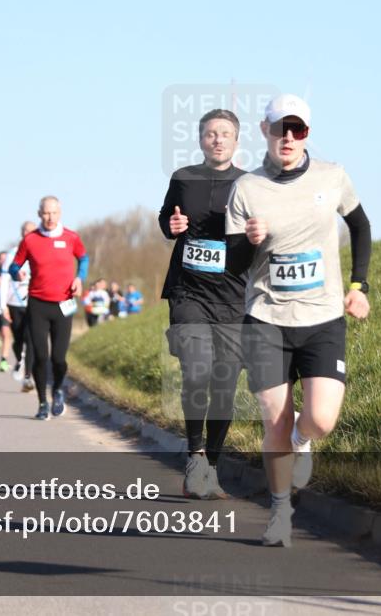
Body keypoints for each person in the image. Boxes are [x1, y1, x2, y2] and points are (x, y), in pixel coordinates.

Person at [225, 95, 371, 547]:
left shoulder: (332, 176)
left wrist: (359, 286)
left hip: (323, 317)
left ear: (307, 133)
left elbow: (361, 226)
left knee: (320, 420)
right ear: (265, 131)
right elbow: (233, 265)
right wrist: (249, 242)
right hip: (266, 319)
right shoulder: (246, 188)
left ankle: (302, 440)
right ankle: (280, 511)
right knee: (275, 420)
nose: (288, 137)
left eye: (298, 129)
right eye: (279, 128)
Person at [159, 108, 247, 499]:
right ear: (200, 139)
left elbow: (265, 234)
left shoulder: (251, 184)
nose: (218, 139)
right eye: (211, 133)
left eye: (225, 133)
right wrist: (171, 226)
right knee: (196, 370)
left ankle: (211, 465)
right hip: (188, 291)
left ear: (236, 141)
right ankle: (195, 456)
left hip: (233, 297)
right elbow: (166, 217)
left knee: (225, 385)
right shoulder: (184, 178)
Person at [8, 196, 88, 419]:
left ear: (59, 213)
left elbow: (83, 258)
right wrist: (17, 273)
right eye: (46, 213)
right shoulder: (30, 240)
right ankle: (43, 402)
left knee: (59, 359)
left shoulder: (71, 237)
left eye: (54, 213)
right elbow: (14, 266)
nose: (50, 217)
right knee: (41, 356)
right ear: (39, 214)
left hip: (63, 304)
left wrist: (80, 278)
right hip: (38, 304)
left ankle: (58, 389)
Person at [1, 221, 37, 391]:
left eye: (31, 231)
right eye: (25, 231)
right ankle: (20, 360)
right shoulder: (12, 254)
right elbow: (4, 280)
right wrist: (3, 306)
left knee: (31, 339)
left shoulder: (40, 250)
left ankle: (28, 376)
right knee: (18, 339)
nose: (28, 234)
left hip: (34, 302)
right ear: (21, 233)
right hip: (14, 303)